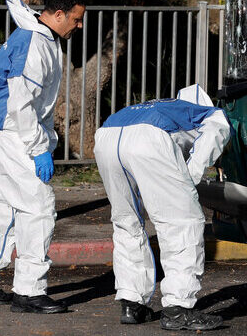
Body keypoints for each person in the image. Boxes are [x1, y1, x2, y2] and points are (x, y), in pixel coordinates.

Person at [0, 0, 85, 314]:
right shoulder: (34, 42)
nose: (79, 25)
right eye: (77, 18)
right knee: (38, 208)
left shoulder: (37, 37)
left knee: (9, 210)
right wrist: (38, 147)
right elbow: (20, 102)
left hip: (8, 132)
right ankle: (29, 291)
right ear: (59, 15)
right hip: (15, 134)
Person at [94, 84, 231, 331]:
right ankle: (179, 308)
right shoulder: (206, 113)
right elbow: (216, 132)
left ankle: (131, 303)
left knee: (127, 222)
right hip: (149, 139)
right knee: (183, 222)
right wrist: (191, 176)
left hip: (106, 134)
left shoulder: (160, 105)